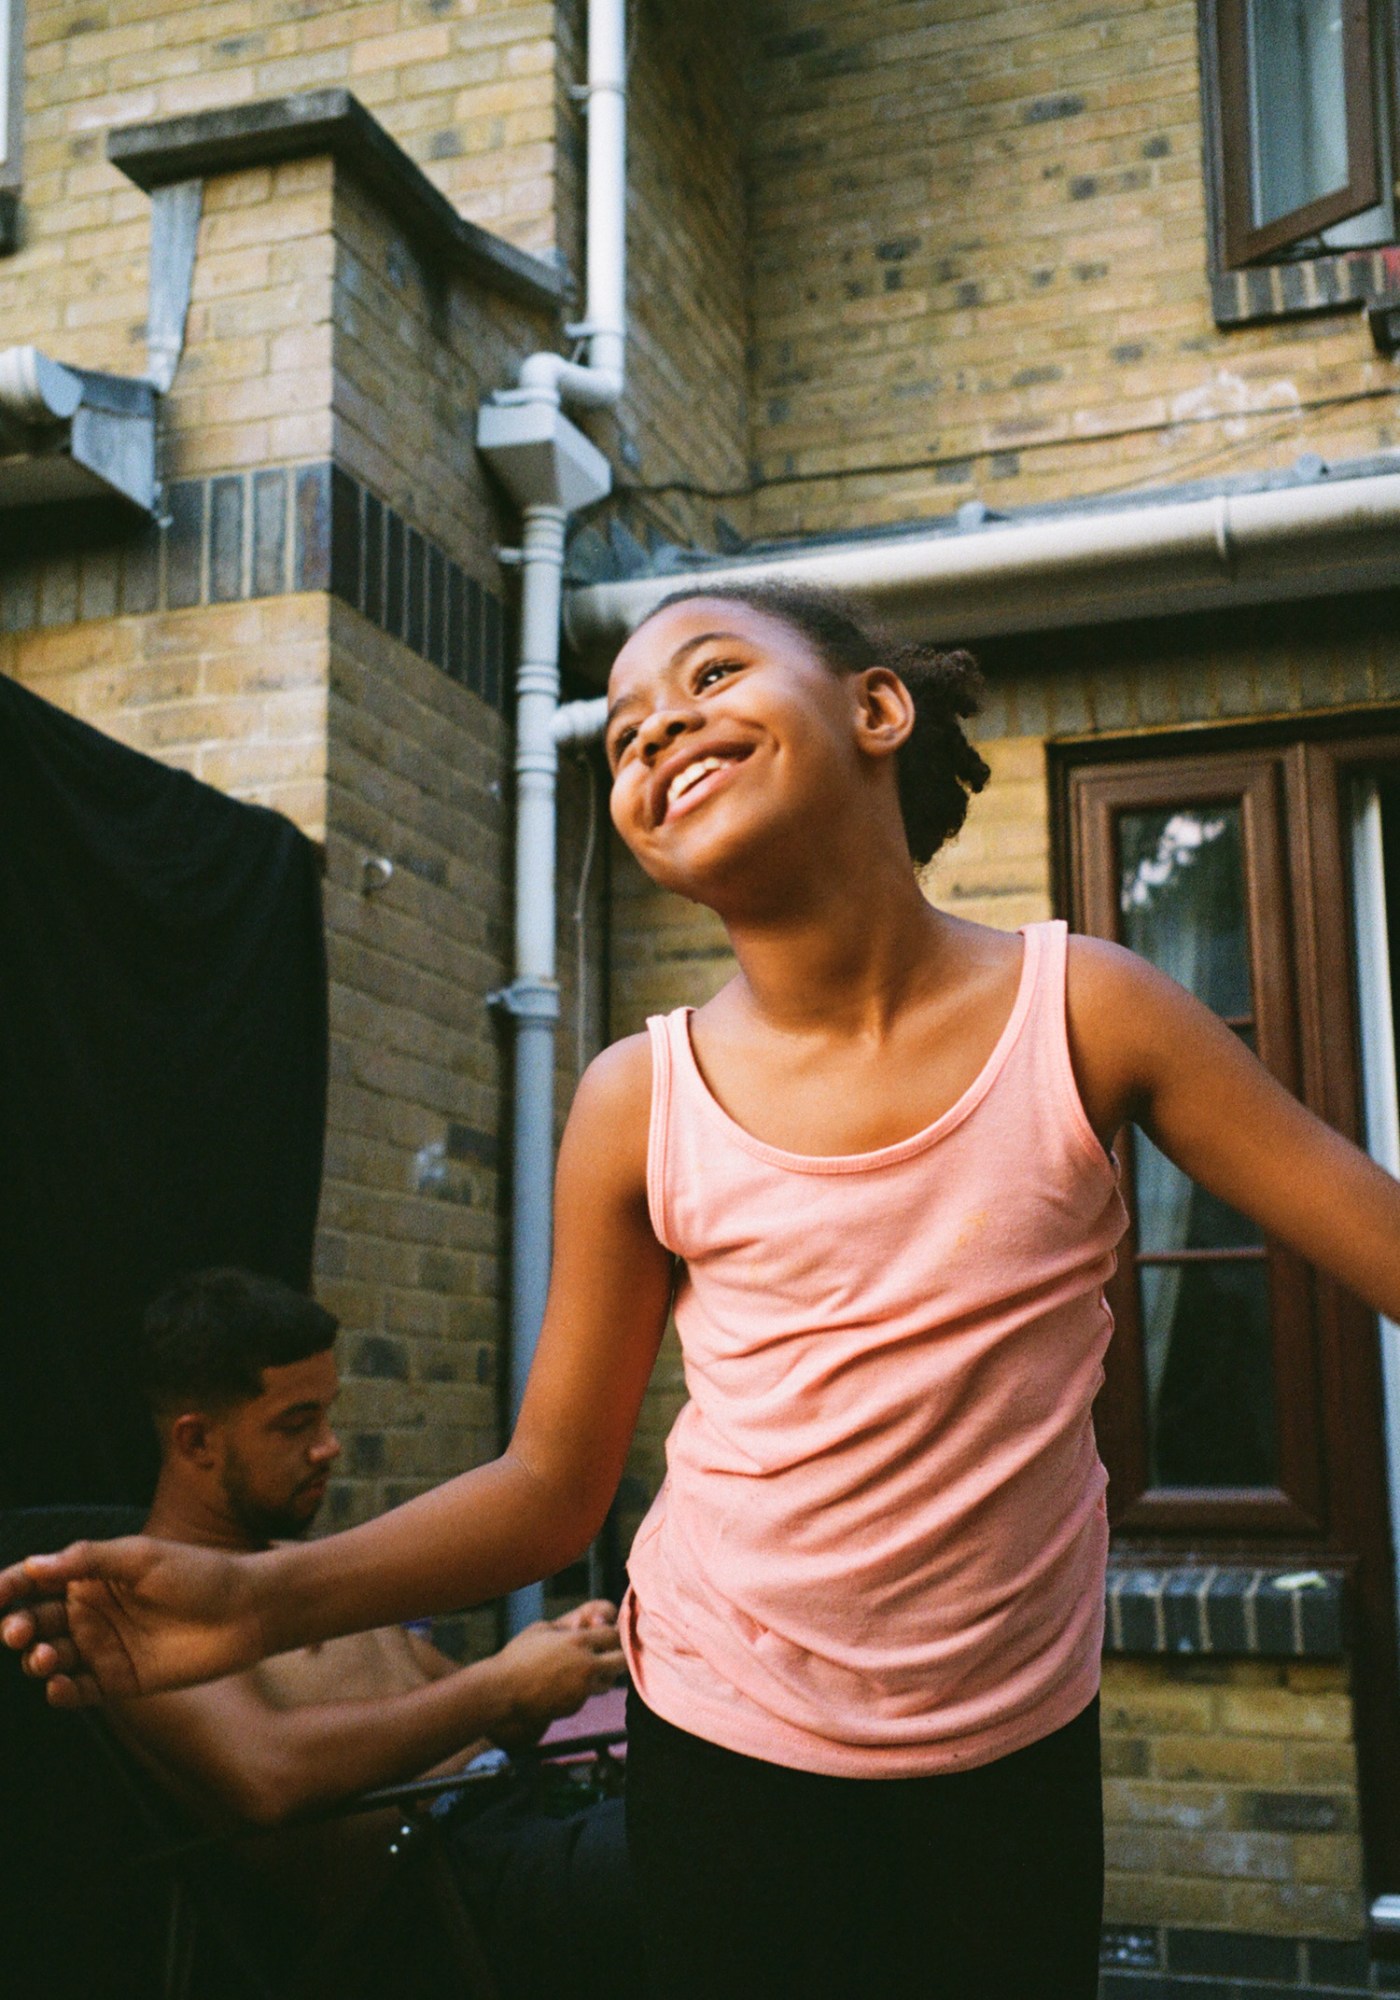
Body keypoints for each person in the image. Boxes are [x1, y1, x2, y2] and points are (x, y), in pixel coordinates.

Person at [9, 582, 1400, 1999]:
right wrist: (261, 1608)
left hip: (1011, 1741)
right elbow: (553, 1485)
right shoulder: (637, 1099)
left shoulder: (1086, 1009)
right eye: (620, 736)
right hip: (726, 1733)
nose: (659, 725)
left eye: (712, 673)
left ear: (876, 709)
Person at [96, 1266, 638, 2000]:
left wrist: (545, 1664)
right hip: (433, 1901)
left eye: (327, 1414)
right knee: (743, 1864)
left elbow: (486, 1720)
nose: (329, 1447)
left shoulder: (304, 1577)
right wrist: (498, 1685)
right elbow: (269, 1777)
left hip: (521, 1836)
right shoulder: (136, 1618)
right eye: (295, 1425)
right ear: (196, 1442)